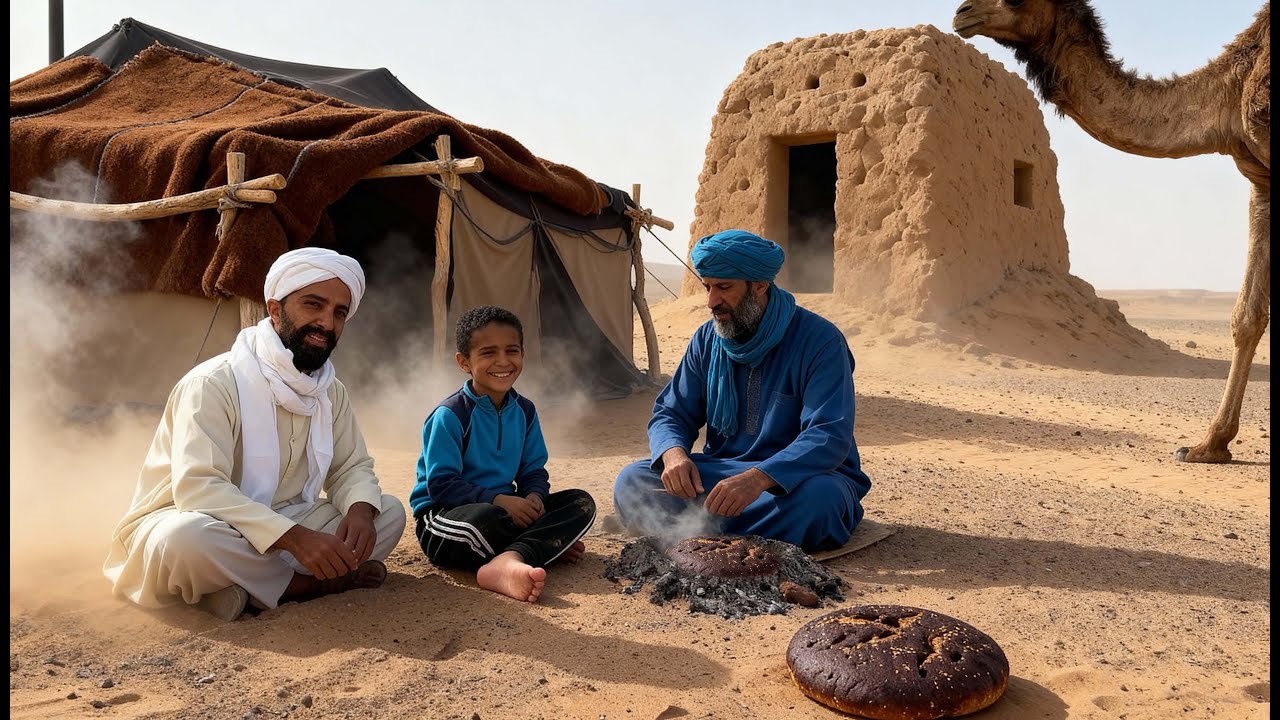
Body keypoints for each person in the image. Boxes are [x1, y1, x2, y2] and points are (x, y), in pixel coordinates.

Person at [103, 247, 407, 621]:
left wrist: (360, 514)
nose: (327, 323)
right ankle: (307, 586)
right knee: (186, 540)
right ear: (275, 309)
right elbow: (199, 489)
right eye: (314, 305)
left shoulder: (330, 391)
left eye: (339, 312)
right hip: (203, 522)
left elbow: (351, 466)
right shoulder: (213, 383)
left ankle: (238, 592)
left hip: (287, 522)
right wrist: (296, 539)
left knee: (388, 512)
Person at [612, 229, 871, 551]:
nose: (711, 301)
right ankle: (738, 535)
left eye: (724, 287)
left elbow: (828, 435)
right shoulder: (707, 339)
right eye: (707, 287)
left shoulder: (821, 341)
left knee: (821, 502)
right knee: (632, 482)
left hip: (795, 478)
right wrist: (673, 455)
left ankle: (701, 532)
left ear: (759, 285)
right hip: (724, 473)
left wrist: (758, 478)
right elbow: (672, 412)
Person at [410, 305, 595, 603]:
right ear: (464, 362)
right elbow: (441, 485)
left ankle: (513, 558)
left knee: (581, 503)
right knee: (484, 520)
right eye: (488, 353)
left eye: (512, 351)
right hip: (448, 518)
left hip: (509, 511)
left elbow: (533, 470)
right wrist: (500, 500)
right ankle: (542, 546)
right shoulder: (450, 415)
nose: (502, 361)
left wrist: (534, 496)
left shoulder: (525, 410)